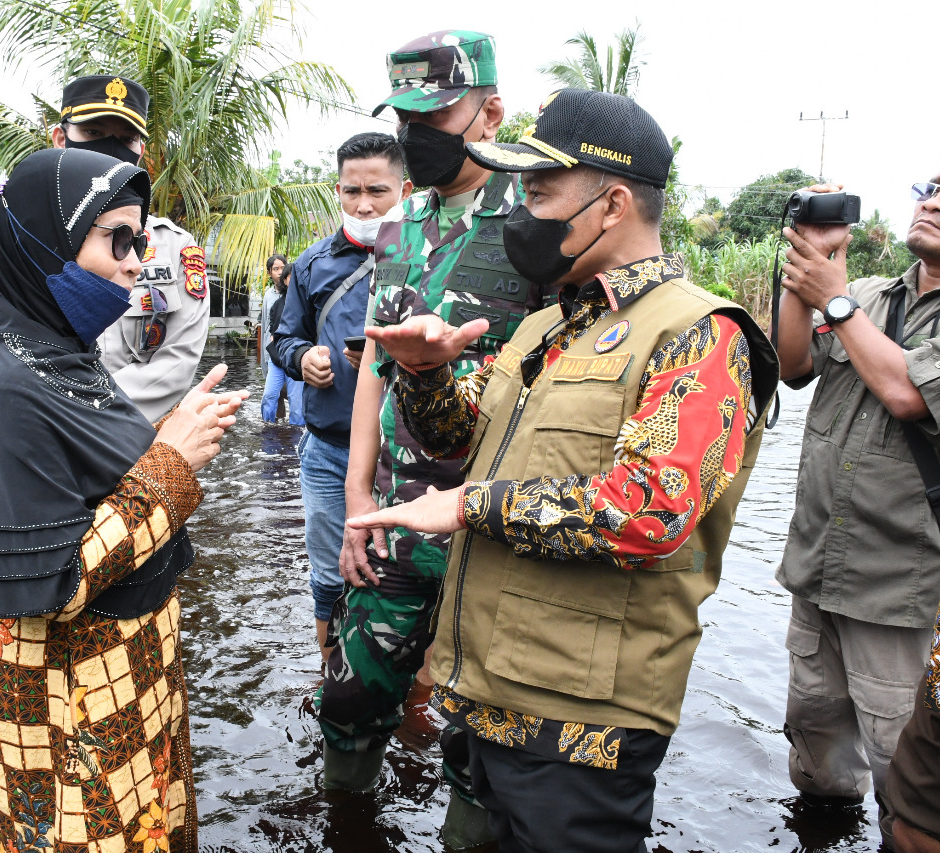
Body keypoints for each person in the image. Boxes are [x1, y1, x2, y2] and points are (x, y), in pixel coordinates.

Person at [347, 88, 779, 853]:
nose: (522, 211)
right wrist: (423, 371)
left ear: (612, 205)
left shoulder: (699, 334)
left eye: (541, 192)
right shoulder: (546, 326)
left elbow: (649, 511)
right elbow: (455, 437)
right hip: (491, 688)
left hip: (583, 719)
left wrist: (471, 506)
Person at [0, 147, 246, 853]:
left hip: (122, 683)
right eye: (116, 240)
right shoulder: (5, 387)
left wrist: (172, 434)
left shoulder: (63, 355)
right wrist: (172, 462)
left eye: (139, 241)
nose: (136, 263)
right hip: (70, 715)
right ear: (44, 245)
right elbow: (51, 584)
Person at [324, 29, 543, 846]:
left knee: (480, 733)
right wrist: (356, 497)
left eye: (436, 115)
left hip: (491, 521)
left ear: (491, 113)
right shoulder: (398, 226)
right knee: (350, 695)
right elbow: (374, 369)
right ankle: (345, 819)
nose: (418, 133)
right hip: (393, 514)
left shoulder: (537, 222)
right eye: (406, 118)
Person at [773, 139, 940, 840]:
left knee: (900, 762)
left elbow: (909, 393)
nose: (935, 201)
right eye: (930, 187)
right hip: (818, 566)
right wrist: (805, 272)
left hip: (900, 585)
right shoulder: (870, 296)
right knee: (815, 742)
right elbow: (792, 365)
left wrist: (833, 296)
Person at [0, 74, 209, 421]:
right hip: (33, 425)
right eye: (92, 132)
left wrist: (95, 417)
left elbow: (177, 361)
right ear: (61, 139)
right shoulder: (9, 237)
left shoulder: (173, 246)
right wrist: (62, 418)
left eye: (126, 138)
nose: (110, 148)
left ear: (140, 151)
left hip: (137, 433)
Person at [270, 132, 411, 661]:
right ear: (338, 191)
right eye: (352, 191)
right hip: (329, 449)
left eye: (377, 191)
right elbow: (284, 337)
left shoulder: (427, 260)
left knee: (410, 573)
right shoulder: (311, 264)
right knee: (329, 574)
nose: (364, 204)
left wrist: (393, 360)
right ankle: (329, 676)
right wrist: (303, 358)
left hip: (405, 455)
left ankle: (409, 692)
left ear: (405, 190)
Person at [260, 257, 306, 425]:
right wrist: (268, 357)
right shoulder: (276, 304)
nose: (291, 281)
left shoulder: (306, 303)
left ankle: (296, 433)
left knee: (296, 402)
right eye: (288, 277)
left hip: (296, 357)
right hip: (277, 358)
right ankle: (268, 428)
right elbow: (270, 332)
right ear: (285, 281)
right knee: (270, 395)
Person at [258, 253, 287, 376]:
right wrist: (264, 357)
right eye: (276, 269)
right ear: (269, 273)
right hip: (272, 349)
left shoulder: (294, 293)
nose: (280, 272)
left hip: (289, 347)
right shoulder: (268, 296)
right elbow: (265, 326)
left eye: (283, 268)